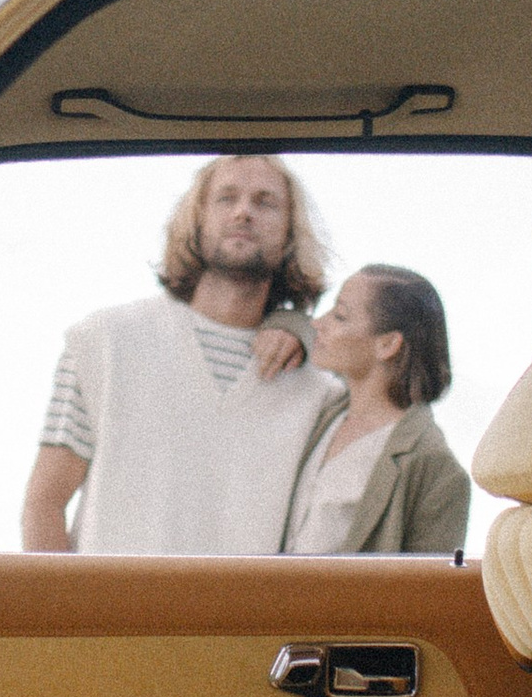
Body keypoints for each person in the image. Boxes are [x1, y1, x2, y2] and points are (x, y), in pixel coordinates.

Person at [21, 153, 337, 553]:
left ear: (291, 231)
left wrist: (302, 329)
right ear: (198, 217)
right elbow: (45, 503)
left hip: (242, 615)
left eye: (265, 202)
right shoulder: (105, 342)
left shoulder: (318, 389)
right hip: (111, 613)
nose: (244, 212)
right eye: (226, 198)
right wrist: (62, 614)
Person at [281, 264, 471, 557]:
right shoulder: (320, 410)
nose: (318, 322)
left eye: (340, 316)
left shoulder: (435, 468)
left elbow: (428, 594)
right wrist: (285, 326)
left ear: (387, 344)